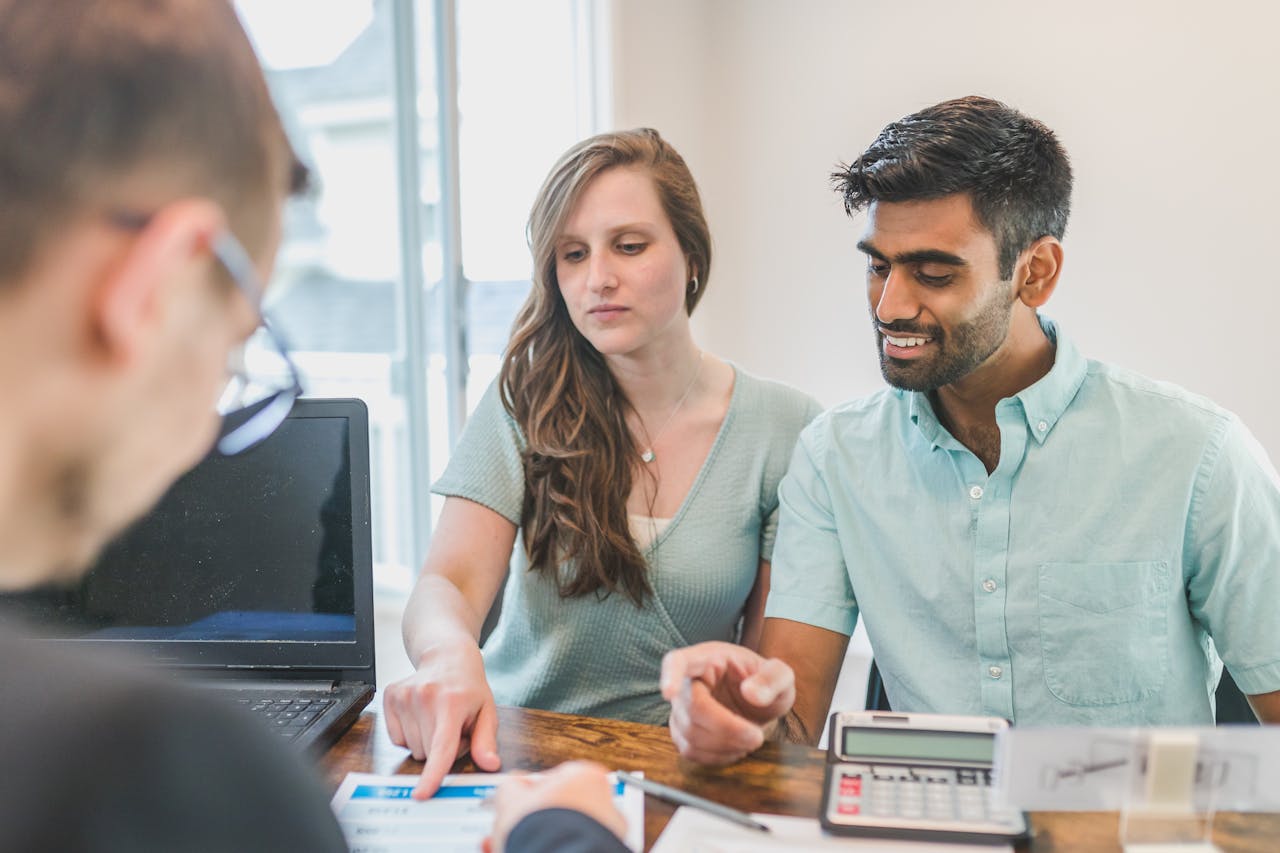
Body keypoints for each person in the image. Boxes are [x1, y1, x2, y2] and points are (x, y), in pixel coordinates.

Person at [0, 2, 598, 850]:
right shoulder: (162, 773)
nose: (201, 431)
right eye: (236, 347)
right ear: (156, 289)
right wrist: (570, 833)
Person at [661, 95, 1280, 767]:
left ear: (1035, 272)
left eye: (933, 272)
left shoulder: (1198, 456)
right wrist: (736, 720)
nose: (891, 305)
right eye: (878, 265)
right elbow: (789, 728)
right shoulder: (835, 458)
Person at [383, 128, 822, 797]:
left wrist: (738, 711)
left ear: (692, 256)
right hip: (512, 758)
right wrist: (448, 655)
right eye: (573, 254)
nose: (598, 279)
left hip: (681, 777)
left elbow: (769, 679)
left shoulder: (784, 426)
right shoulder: (523, 400)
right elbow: (447, 583)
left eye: (630, 245)